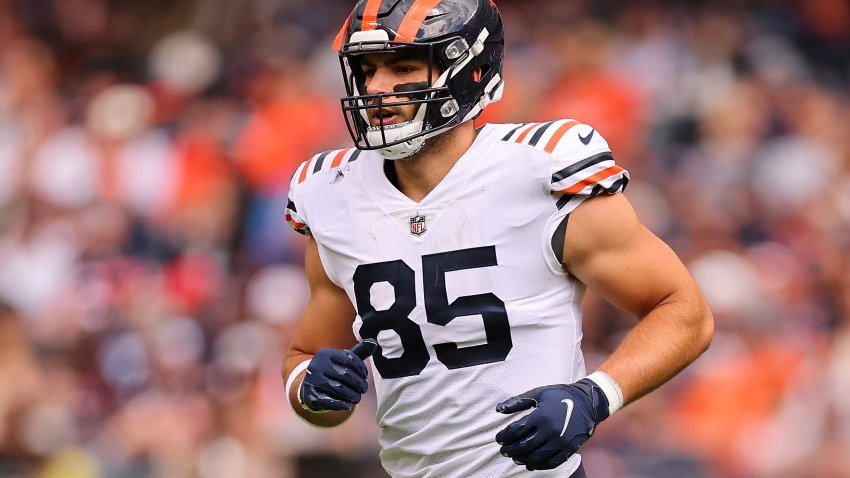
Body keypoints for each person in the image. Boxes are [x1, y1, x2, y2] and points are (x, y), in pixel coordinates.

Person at [282, 0, 714, 476]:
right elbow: (312, 369)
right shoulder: (330, 193)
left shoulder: (541, 171)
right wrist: (307, 386)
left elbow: (684, 312)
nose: (377, 87)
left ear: (469, 71)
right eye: (367, 70)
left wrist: (593, 397)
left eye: (403, 66)